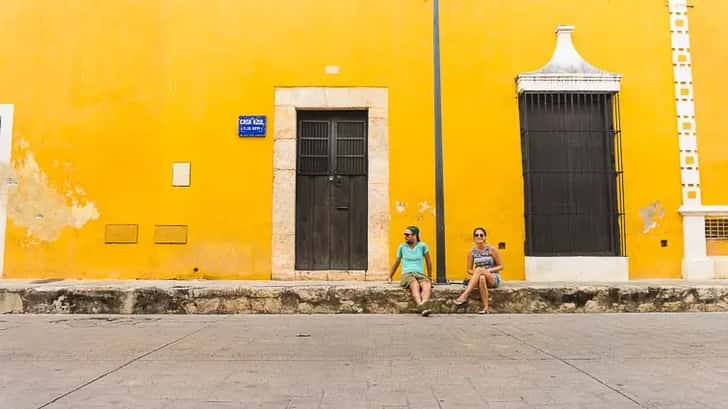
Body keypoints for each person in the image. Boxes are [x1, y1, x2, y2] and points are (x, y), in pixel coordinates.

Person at [454, 227, 503, 314]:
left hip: (493, 277)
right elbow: (469, 270)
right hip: (481, 277)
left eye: (481, 235)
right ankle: (486, 308)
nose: (479, 236)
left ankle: (465, 294)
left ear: (485, 237)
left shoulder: (492, 249)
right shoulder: (471, 252)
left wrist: (487, 271)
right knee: (481, 278)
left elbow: (501, 266)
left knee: (480, 270)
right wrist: (478, 273)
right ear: (474, 238)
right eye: (477, 235)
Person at [387, 226, 434, 316]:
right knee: (414, 284)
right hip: (407, 274)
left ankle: (423, 304)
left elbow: (428, 262)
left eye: (407, 235)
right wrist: (390, 276)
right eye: (405, 234)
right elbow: (397, 262)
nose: (405, 236)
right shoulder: (402, 247)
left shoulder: (422, 246)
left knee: (426, 284)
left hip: (420, 273)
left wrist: (430, 276)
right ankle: (420, 305)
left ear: (415, 235)